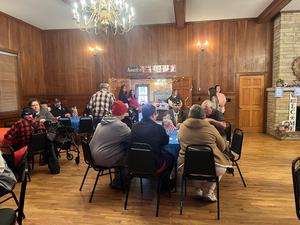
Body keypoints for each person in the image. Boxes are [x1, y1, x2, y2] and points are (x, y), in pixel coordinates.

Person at [177, 104, 231, 202]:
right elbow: (223, 147)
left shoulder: (182, 127)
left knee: (193, 163)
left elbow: (179, 142)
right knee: (221, 167)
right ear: (203, 116)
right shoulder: (211, 128)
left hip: (187, 165)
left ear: (190, 115)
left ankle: (197, 189)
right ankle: (208, 191)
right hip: (211, 166)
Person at [131, 104, 174, 189]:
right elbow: (166, 142)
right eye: (156, 114)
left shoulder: (134, 126)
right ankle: (165, 185)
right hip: (154, 165)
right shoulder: (158, 128)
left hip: (135, 163)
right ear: (153, 114)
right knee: (171, 157)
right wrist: (165, 131)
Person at [89, 100, 131, 188]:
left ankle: (117, 179)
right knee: (129, 151)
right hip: (102, 159)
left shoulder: (102, 122)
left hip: (91, 157)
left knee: (119, 148)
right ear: (122, 113)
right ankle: (122, 182)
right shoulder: (120, 126)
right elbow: (132, 138)